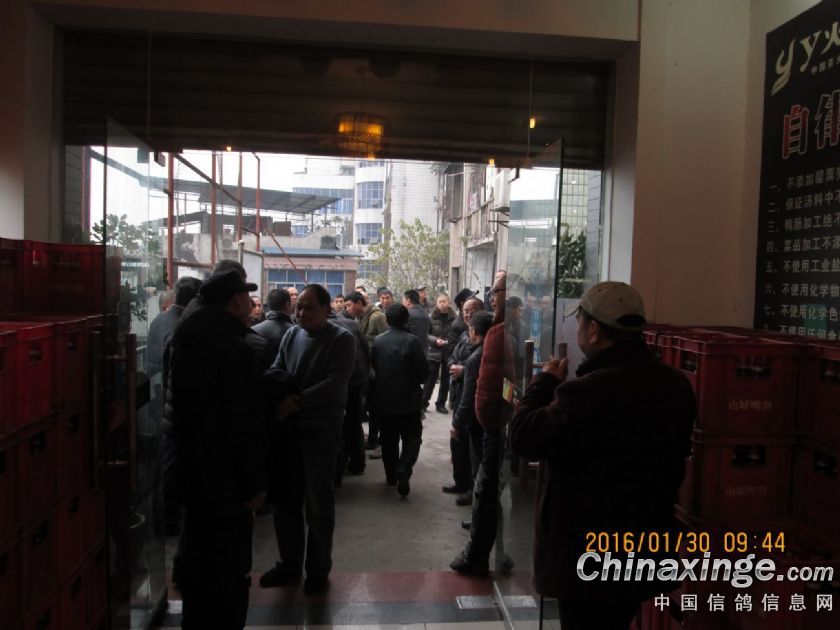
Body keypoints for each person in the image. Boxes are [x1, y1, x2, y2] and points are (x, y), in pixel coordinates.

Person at [509, 281, 696, 629]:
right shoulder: (676, 386)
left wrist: (545, 383)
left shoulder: (587, 392)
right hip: (642, 547)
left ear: (593, 330)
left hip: (587, 559)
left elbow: (523, 437)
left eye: (580, 321)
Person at [169, 269, 267, 629]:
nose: (252, 304)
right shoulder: (234, 350)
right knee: (228, 568)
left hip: (192, 471)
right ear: (235, 301)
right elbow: (242, 425)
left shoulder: (185, 340)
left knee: (199, 558)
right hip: (227, 481)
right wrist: (254, 485)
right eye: (247, 297)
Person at [261, 284, 356, 596]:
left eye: (308, 307)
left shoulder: (342, 339)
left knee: (318, 504)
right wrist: (277, 395)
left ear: (327, 309)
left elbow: (334, 384)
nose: (301, 312)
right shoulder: (292, 334)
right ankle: (289, 564)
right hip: (288, 430)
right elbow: (277, 368)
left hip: (321, 431)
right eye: (298, 306)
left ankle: (317, 569)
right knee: (285, 501)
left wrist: (296, 401)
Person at [450, 271, 514, 578]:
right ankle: (490, 551)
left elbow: (507, 381)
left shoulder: (500, 334)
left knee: (486, 489)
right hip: (491, 421)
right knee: (485, 487)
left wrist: (497, 412)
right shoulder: (497, 331)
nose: (492, 296)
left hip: (492, 424)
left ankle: (478, 555)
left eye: (497, 290)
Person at [369, 304, 429, 497]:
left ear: (387, 320)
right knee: (412, 438)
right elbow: (424, 372)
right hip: (409, 401)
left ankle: (391, 476)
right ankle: (404, 467)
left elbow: (374, 368)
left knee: (388, 440)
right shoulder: (412, 341)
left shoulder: (378, 341)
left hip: (383, 400)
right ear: (406, 320)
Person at [451, 311, 494, 529]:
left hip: (477, 419)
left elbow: (468, 397)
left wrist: (457, 423)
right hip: (490, 416)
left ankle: (479, 516)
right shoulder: (491, 350)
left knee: (480, 469)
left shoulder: (476, 358)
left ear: (474, 331)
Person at [443, 296, 484, 500]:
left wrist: (464, 369)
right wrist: (452, 365)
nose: (468, 314)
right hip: (458, 392)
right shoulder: (463, 335)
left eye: (472, 311)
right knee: (457, 442)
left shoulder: (483, 341)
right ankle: (460, 482)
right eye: (465, 311)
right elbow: (452, 355)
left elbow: (478, 366)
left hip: (471, 397)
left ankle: (471, 489)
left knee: (470, 445)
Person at [328, 307, 370, 482]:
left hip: (337, 385)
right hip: (356, 381)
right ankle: (358, 464)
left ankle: (338, 471)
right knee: (354, 423)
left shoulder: (321, 329)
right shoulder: (352, 324)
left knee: (338, 427)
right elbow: (366, 351)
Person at [345, 290, 388, 452]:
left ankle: (379, 441)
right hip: (366, 368)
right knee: (370, 407)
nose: (348, 309)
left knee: (377, 407)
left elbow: (387, 340)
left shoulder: (377, 317)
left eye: (349, 305)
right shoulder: (358, 318)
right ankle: (372, 439)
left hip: (378, 368)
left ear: (359, 303)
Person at [423, 293, 456, 413]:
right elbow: (426, 334)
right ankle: (423, 403)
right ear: (437, 303)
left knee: (445, 380)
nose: (442, 304)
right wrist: (435, 340)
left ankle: (441, 404)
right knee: (430, 379)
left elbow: (456, 334)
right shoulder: (430, 317)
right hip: (434, 350)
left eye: (444, 301)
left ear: (449, 302)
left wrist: (448, 341)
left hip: (448, 351)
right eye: (440, 302)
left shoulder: (454, 318)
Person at [253, 288, 294, 353]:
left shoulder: (253, 331)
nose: (257, 309)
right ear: (288, 304)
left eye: (259, 305)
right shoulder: (295, 332)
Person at [147, 289, 175, 379]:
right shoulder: (168, 323)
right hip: (163, 374)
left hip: (155, 375)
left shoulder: (155, 322)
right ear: (164, 307)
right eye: (174, 306)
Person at [403, 289, 431, 357]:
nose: (403, 302)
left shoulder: (407, 315)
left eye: (403, 300)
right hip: (424, 353)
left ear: (408, 301)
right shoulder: (426, 314)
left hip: (410, 354)